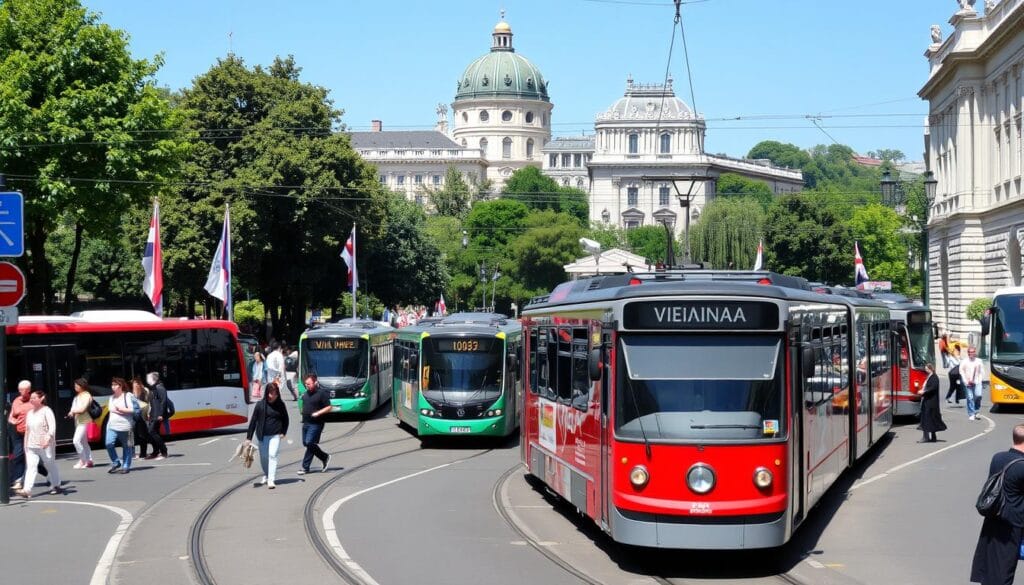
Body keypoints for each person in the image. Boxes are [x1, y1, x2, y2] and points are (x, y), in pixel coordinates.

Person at [971, 423, 1024, 584]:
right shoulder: (1021, 467)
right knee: (1003, 572)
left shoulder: (998, 457)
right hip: (1012, 525)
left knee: (992, 568)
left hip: (994, 518)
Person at [18, 390, 62, 497]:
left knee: (49, 464)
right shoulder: (30, 413)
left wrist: (47, 439)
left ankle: (56, 484)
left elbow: (52, 427)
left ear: (41, 399)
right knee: (31, 466)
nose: (31, 400)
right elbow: (27, 430)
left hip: (45, 444)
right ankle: (27, 490)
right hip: (31, 444)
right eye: (31, 398)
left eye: (34, 398)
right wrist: (25, 444)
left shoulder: (47, 411)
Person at [245, 382, 289, 489]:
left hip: (275, 435)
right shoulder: (260, 405)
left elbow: (286, 419)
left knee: (272, 455)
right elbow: (254, 421)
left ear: (277, 394)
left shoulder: (280, 405)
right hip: (263, 435)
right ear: (266, 393)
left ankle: (271, 479)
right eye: (270, 393)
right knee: (264, 457)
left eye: (274, 394)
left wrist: (283, 432)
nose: (272, 396)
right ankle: (267, 473)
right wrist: (249, 438)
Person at [7, 380, 47, 491]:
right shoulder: (16, 400)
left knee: (35, 459)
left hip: (32, 433)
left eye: (23, 390)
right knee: (18, 455)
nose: (20, 392)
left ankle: (49, 475)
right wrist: (12, 420)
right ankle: (18, 481)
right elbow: (12, 415)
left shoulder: (34, 401)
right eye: (19, 389)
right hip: (18, 432)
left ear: (28, 390)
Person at [298, 373, 332, 475]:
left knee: (309, 442)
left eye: (309, 384)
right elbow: (304, 405)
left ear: (315, 383)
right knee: (307, 443)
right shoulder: (305, 394)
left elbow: (329, 407)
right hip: (306, 422)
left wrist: (318, 413)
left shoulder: (321, 394)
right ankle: (324, 457)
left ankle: (305, 467)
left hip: (316, 423)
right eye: (306, 384)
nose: (307, 386)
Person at [105, 377, 136, 474]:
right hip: (112, 425)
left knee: (128, 446)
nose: (113, 387)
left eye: (115, 385)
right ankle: (116, 462)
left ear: (121, 386)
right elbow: (112, 410)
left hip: (127, 426)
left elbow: (133, 410)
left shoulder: (128, 396)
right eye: (112, 385)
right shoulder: (111, 398)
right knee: (108, 443)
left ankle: (126, 465)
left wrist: (122, 410)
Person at [67, 378, 94, 468]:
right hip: (78, 421)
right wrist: (72, 412)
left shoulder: (86, 395)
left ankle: (82, 460)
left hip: (85, 421)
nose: (75, 387)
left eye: (77, 385)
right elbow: (74, 408)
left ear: (82, 386)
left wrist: (73, 411)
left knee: (76, 441)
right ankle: (89, 460)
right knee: (83, 442)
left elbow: (83, 409)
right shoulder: (77, 396)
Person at [917, 363, 947, 442]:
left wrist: (923, 392)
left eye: (926, 369)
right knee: (931, 419)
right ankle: (933, 436)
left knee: (926, 418)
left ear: (930, 369)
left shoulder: (934, 377)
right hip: (929, 401)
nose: (925, 370)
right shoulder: (930, 377)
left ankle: (925, 437)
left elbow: (932, 388)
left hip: (930, 401)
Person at [144, 371, 169, 459]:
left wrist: (161, 414)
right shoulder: (153, 388)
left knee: (152, 431)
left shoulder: (160, 387)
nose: (147, 380)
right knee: (153, 432)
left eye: (149, 379)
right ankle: (155, 451)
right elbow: (152, 403)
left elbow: (164, 401)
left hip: (158, 414)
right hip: (153, 414)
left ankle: (164, 451)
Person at [961, 346, 984, 421]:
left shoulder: (979, 361)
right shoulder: (964, 361)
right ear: (968, 353)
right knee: (970, 397)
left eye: (973, 352)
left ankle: (976, 410)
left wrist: (979, 380)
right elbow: (961, 371)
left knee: (978, 395)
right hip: (968, 383)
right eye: (970, 352)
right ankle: (971, 413)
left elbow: (981, 372)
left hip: (977, 381)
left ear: (975, 352)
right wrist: (966, 381)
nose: (972, 353)